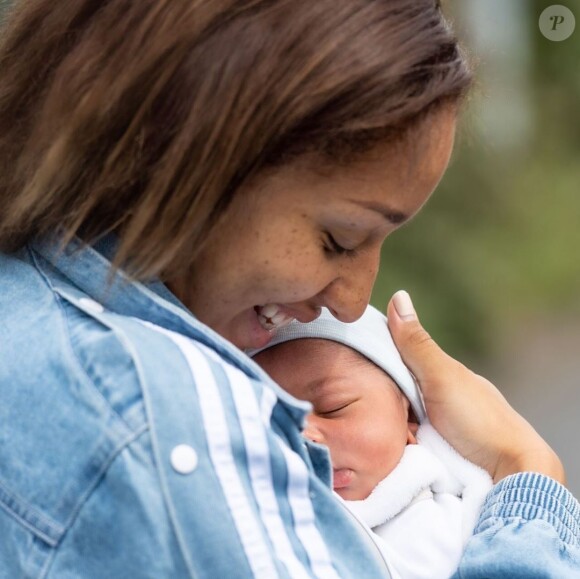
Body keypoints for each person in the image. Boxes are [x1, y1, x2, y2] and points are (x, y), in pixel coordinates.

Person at [0, 1, 578, 577]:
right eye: (340, 238)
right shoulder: (175, 422)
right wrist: (526, 470)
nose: (353, 302)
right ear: (195, 157)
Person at [251, 305, 493, 579]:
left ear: (409, 418)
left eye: (333, 407)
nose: (304, 437)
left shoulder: (474, 516)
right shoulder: (268, 539)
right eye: (276, 428)